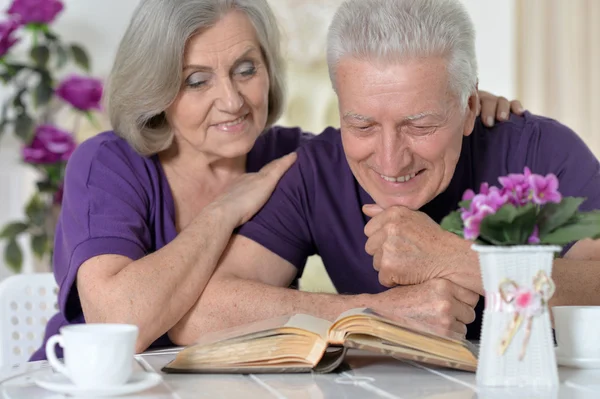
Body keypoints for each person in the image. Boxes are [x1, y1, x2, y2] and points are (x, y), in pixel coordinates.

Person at [31, 0, 521, 360]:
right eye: (197, 80)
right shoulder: (110, 162)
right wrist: (223, 214)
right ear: (155, 87)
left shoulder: (290, 157)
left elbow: (383, 131)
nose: (233, 100)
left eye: (246, 69)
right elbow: (119, 321)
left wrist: (461, 104)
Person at [167, 0, 600, 346]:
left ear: (469, 108)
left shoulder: (541, 151)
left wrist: (455, 259)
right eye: (362, 125)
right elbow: (201, 316)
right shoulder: (317, 170)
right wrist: (374, 314)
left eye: (420, 125)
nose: (390, 161)